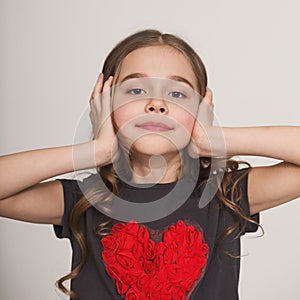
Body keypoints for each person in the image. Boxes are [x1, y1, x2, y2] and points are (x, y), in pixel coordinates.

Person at [0, 29, 299, 300]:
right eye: (136, 90)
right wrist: (96, 150)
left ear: (202, 110)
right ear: (104, 104)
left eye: (177, 93)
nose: (156, 104)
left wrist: (214, 140)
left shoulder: (225, 195)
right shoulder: (85, 199)